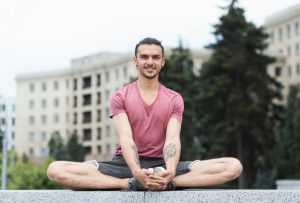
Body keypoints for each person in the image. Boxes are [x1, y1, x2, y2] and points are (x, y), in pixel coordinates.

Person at [47, 37, 243, 191]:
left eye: (155, 57)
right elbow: (126, 138)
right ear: (136, 61)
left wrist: (171, 172)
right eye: (144, 57)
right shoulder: (120, 96)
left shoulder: (174, 99)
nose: (150, 62)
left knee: (233, 166)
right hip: (125, 167)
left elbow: (172, 140)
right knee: (55, 169)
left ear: (162, 62)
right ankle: (128, 185)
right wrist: (136, 174)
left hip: (163, 164)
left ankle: (170, 184)